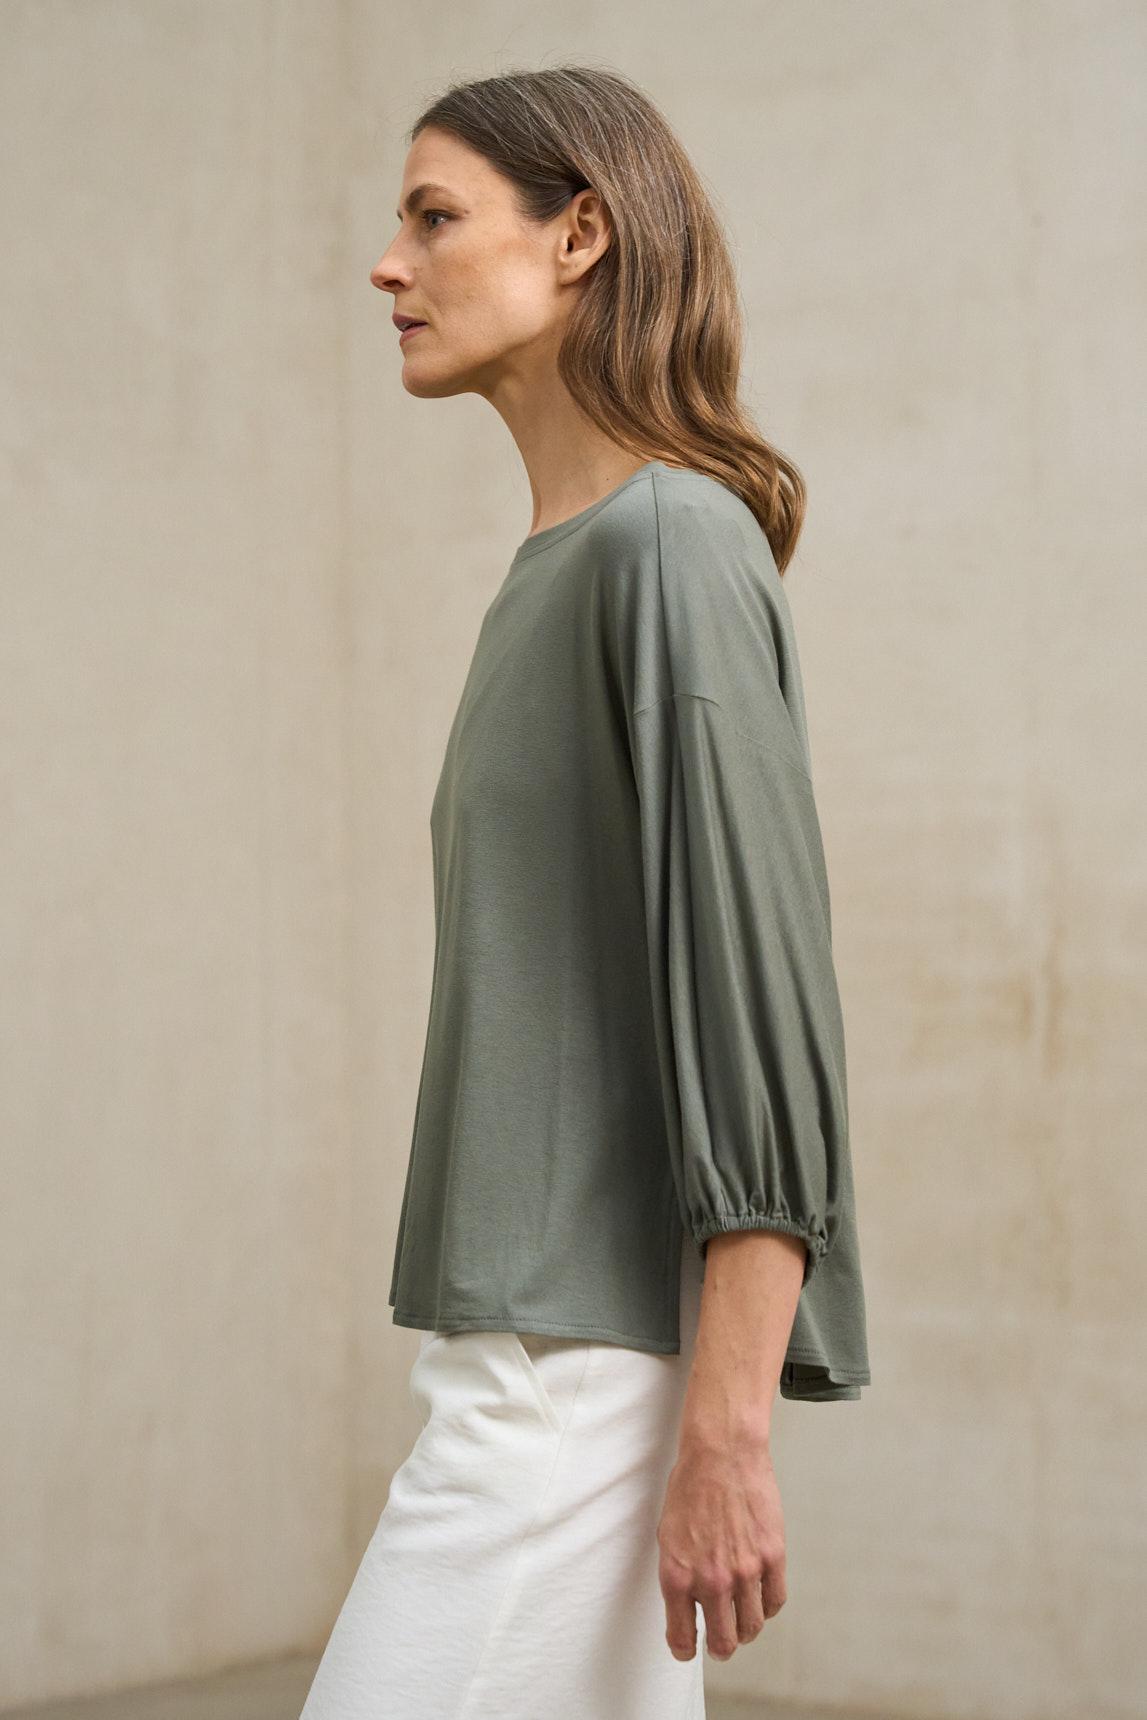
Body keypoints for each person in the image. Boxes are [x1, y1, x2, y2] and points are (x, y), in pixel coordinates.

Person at [301, 63, 871, 1720]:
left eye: (435, 216)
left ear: (580, 236)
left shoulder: (669, 546)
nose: (389, 264)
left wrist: (728, 1429)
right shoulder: (564, 569)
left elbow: (761, 1003)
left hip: (567, 1390)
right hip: (551, 1357)